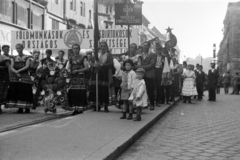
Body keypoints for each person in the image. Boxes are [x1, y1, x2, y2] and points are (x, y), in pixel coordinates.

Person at [6, 44, 33, 113]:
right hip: (16, 75)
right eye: (17, 48)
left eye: (19, 48)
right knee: (17, 91)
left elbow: (27, 66)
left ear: (22, 48)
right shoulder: (14, 57)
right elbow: (11, 66)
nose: (18, 49)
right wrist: (15, 72)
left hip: (24, 75)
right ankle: (20, 108)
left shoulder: (27, 57)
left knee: (25, 91)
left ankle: (27, 107)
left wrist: (18, 71)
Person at [88, 41, 113, 112]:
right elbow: (91, 62)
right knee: (95, 88)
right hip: (96, 73)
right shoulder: (96, 54)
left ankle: (105, 105)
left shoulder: (109, 55)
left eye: (104, 46)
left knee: (104, 89)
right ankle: (96, 105)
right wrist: (93, 65)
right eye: (101, 46)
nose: (103, 47)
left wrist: (101, 65)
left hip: (104, 73)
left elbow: (110, 64)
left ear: (107, 47)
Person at [66, 44, 89, 115]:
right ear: (72, 50)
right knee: (73, 92)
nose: (75, 50)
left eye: (77, 48)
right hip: (73, 78)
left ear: (79, 49)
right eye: (74, 48)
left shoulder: (83, 57)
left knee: (80, 93)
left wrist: (77, 71)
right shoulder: (71, 58)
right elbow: (68, 67)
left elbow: (87, 67)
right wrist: (69, 71)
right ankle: (75, 109)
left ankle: (80, 109)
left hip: (81, 77)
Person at [136, 41, 156, 110]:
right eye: (144, 45)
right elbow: (138, 64)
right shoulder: (140, 55)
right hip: (141, 75)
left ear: (149, 46)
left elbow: (152, 65)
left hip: (149, 75)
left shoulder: (152, 55)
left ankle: (152, 104)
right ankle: (143, 104)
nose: (145, 47)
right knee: (141, 90)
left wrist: (142, 67)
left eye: (146, 45)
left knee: (150, 90)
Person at [0, 48, 11, 114]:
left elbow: (9, 67)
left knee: (1, 92)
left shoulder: (4, 57)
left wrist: (10, 77)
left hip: (3, 77)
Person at [154, 42, 165, 107]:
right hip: (154, 70)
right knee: (153, 86)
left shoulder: (163, 57)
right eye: (157, 49)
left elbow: (165, 65)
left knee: (159, 86)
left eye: (160, 49)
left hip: (160, 71)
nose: (158, 51)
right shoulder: (153, 56)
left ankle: (158, 100)